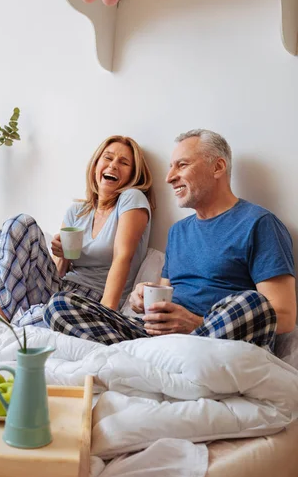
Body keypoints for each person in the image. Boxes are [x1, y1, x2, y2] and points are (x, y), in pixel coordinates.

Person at [45, 129, 296, 350]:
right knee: (59, 306)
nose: (169, 177)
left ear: (218, 167)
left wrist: (196, 324)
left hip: (217, 339)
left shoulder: (258, 223)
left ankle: (160, 357)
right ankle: (151, 357)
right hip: (158, 338)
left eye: (182, 165)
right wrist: (141, 297)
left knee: (250, 302)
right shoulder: (178, 231)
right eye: (170, 167)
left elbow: (284, 316)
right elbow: (165, 292)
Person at [0, 135, 155, 327]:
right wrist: (62, 255)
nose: (113, 165)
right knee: (19, 224)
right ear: (96, 164)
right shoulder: (77, 210)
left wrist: (105, 314)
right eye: (108, 158)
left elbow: (123, 257)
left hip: (92, 300)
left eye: (124, 163)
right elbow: (59, 272)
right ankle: (1, 315)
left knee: (44, 315)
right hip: (61, 289)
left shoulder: (132, 198)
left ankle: (17, 318)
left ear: (133, 175)